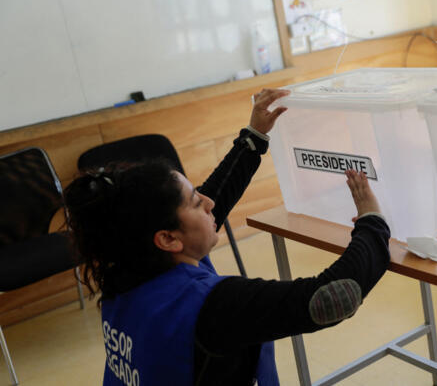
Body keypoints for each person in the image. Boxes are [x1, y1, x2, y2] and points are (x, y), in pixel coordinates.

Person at [64, 89, 391, 386]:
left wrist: (254, 136)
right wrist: (372, 220)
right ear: (167, 239)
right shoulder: (213, 307)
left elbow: (212, 198)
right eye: (195, 201)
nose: (207, 203)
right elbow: (336, 296)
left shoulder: (126, 266)